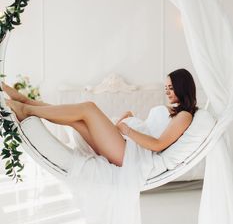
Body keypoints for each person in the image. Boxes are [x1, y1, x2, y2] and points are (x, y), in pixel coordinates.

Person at [2, 68, 198, 167]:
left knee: (88, 108)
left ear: (183, 86)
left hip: (131, 154)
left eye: (171, 88)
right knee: (76, 119)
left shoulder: (185, 116)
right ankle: (27, 102)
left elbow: (157, 144)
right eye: (166, 88)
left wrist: (129, 129)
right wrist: (132, 119)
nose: (168, 92)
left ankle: (27, 109)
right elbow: (152, 128)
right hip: (126, 144)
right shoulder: (172, 110)